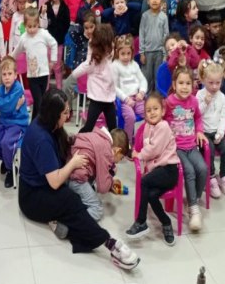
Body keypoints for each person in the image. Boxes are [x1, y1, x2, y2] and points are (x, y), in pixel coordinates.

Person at [17, 88, 140, 270]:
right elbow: (55, 182)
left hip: (45, 183)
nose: (68, 116)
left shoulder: (50, 125)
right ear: (54, 114)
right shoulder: (41, 138)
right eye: (65, 112)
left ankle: (65, 225)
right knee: (72, 201)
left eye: (68, 110)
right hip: (32, 197)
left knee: (77, 200)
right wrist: (74, 163)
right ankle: (110, 244)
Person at [126, 93, 179, 246]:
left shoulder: (163, 126)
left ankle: (141, 221)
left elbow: (153, 149)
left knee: (144, 182)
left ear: (163, 111)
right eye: (148, 110)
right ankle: (166, 222)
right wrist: (135, 154)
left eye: (155, 109)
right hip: (157, 172)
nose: (152, 112)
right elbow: (146, 147)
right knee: (151, 195)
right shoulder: (148, 127)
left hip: (169, 171)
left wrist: (139, 155)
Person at [164, 67, 207, 231]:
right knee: (189, 170)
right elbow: (162, 121)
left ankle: (192, 201)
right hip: (176, 148)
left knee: (202, 169)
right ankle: (194, 209)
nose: (184, 87)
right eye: (181, 83)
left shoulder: (194, 101)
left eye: (188, 83)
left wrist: (200, 131)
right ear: (174, 84)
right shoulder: (169, 102)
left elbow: (198, 118)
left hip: (191, 146)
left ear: (193, 85)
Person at [69, 128, 128, 221]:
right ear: (117, 150)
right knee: (97, 210)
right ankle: (70, 220)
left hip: (70, 170)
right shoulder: (106, 151)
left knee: (95, 178)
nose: (118, 162)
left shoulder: (100, 137)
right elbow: (103, 188)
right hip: (77, 179)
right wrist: (110, 174)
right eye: (121, 158)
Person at [0, 56, 30, 188]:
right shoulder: (0, 89)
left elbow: (4, 106)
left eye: (10, 74)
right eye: (4, 74)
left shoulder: (18, 88)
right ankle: (7, 160)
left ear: (15, 75)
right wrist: (12, 106)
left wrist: (7, 105)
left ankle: (11, 169)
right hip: (4, 122)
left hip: (18, 124)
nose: (7, 77)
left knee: (6, 143)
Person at [11, 7, 58, 120]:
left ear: (38, 24)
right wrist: (9, 59)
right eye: (29, 26)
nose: (32, 29)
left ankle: (33, 123)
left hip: (44, 74)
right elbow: (16, 52)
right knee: (39, 101)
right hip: (32, 77)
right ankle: (41, 124)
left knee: (39, 103)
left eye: (34, 26)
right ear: (25, 25)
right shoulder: (24, 38)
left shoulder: (44, 34)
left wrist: (53, 61)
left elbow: (54, 44)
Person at [71, 24, 117, 134]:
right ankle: (78, 141)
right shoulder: (92, 46)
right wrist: (73, 75)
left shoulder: (111, 46)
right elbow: (88, 65)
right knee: (89, 126)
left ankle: (116, 144)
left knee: (113, 128)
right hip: (96, 96)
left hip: (109, 95)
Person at [196, 58, 225, 198]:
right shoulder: (200, 95)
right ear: (204, 80)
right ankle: (211, 177)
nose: (215, 86)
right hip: (203, 133)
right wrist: (205, 102)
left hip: (217, 132)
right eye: (211, 83)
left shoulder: (222, 97)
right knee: (209, 149)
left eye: (218, 82)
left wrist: (221, 132)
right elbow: (196, 114)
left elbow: (223, 116)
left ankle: (223, 176)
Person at [113, 35, 147, 140]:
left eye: (128, 53)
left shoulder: (134, 64)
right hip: (123, 101)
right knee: (130, 117)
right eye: (123, 54)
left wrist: (142, 92)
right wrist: (126, 99)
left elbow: (143, 80)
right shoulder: (115, 65)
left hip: (137, 98)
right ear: (117, 52)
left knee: (149, 112)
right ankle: (127, 142)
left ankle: (145, 138)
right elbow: (114, 87)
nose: (126, 57)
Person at [40, 0, 70, 89]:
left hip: (59, 43)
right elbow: (43, 26)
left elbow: (66, 25)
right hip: (47, 44)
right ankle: (46, 90)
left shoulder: (65, 8)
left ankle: (59, 89)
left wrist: (60, 36)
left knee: (57, 67)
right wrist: (43, 14)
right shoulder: (45, 6)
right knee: (48, 67)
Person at [139, 0, 169, 91]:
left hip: (160, 52)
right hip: (147, 52)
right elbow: (141, 34)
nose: (155, 0)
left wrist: (165, 54)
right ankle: (145, 97)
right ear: (148, 1)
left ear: (162, 1)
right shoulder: (145, 16)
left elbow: (166, 36)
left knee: (158, 77)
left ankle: (157, 97)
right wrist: (142, 52)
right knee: (146, 77)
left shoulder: (164, 17)